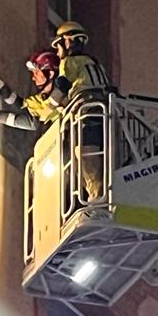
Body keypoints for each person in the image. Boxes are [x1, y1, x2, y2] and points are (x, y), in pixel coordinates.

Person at [48, 21, 111, 201]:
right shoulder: (95, 64)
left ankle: (96, 199)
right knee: (101, 158)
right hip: (105, 114)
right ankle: (100, 195)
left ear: (67, 42)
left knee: (86, 157)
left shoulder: (70, 62)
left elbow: (61, 86)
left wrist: (51, 105)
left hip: (87, 114)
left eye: (58, 45)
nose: (57, 52)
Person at [0, 49, 61, 131]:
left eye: (37, 73)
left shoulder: (57, 94)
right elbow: (21, 105)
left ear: (50, 74)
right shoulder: (45, 94)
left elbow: (34, 123)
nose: (33, 77)